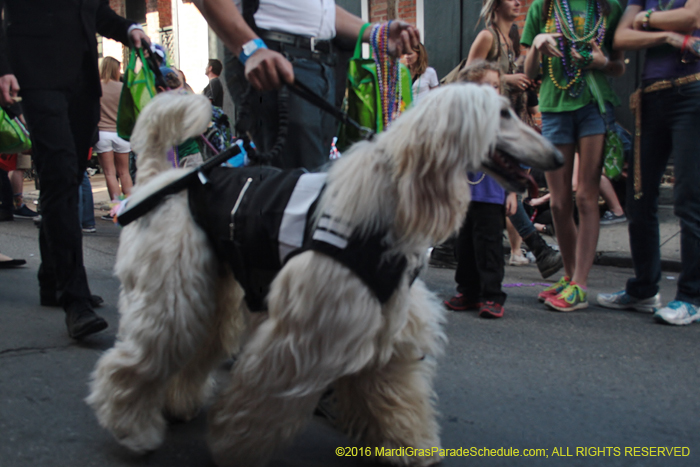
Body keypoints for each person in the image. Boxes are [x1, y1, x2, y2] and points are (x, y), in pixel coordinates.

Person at [0, 0, 150, 339]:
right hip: (35, 77)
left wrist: (130, 30)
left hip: (82, 83)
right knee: (60, 174)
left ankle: (52, 280)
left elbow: (96, 12)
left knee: (67, 178)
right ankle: (75, 300)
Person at [193, 0, 418, 171]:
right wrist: (250, 47)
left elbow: (322, 11)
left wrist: (374, 32)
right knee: (301, 189)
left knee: (315, 179)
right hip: (274, 54)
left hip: (322, 64)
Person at [597, 0, 700, 325]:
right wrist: (668, 36)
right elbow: (621, 39)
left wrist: (646, 20)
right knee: (638, 198)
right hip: (651, 97)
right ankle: (643, 289)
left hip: (692, 92)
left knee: (688, 199)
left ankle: (691, 298)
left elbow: (691, 16)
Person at [522, 0, 625, 311]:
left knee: (586, 197)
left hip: (593, 107)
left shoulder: (610, 8)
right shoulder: (543, 7)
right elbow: (527, 73)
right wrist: (537, 45)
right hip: (554, 110)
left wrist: (601, 62)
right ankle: (569, 276)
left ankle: (580, 283)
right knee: (558, 201)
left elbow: (618, 66)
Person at [467, 0, 563, 279]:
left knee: (502, 192)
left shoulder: (511, 42)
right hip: (488, 126)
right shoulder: (487, 36)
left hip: (507, 127)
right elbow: (469, 78)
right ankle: (539, 249)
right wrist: (508, 80)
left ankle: (452, 248)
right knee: (499, 189)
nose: (518, 2)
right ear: (496, 5)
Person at [444, 61, 518, 319]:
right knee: (463, 246)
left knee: (489, 247)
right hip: (463, 194)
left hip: (491, 192)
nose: (492, 91)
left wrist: (512, 192)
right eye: (485, 85)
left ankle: (492, 295)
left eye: (496, 86)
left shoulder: (503, 119)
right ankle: (467, 291)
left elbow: (512, 159)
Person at [95, 56, 133, 221]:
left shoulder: (97, 88)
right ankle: (132, 207)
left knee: (110, 174)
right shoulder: (124, 88)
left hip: (103, 133)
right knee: (124, 172)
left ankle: (116, 210)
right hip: (121, 133)